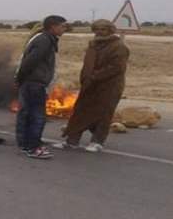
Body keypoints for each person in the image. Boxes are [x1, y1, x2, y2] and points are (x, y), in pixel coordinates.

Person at [53, 19, 129, 152]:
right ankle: (72, 141)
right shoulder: (93, 45)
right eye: (97, 29)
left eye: (103, 29)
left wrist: (94, 77)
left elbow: (117, 67)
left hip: (109, 86)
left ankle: (97, 142)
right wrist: (85, 78)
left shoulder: (119, 47)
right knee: (80, 112)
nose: (100, 32)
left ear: (110, 30)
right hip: (89, 85)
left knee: (103, 114)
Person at [14, 15, 68, 159]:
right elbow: (29, 62)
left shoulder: (44, 39)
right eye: (62, 26)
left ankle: (26, 144)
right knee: (37, 116)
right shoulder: (44, 41)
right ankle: (33, 148)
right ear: (53, 27)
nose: (65, 29)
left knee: (27, 114)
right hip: (34, 84)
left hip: (31, 83)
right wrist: (22, 79)